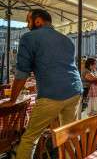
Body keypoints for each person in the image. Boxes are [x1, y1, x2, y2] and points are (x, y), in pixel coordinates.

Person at [1, 9, 83, 159]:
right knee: (69, 132)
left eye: (28, 20)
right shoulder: (67, 40)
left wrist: (12, 99)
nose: (27, 24)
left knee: (29, 138)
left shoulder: (29, 38)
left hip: (52, 93)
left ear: (38, 20)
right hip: (75, 90)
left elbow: (21, 73)